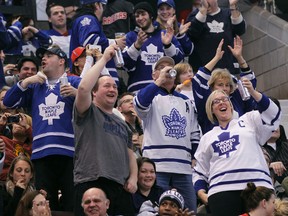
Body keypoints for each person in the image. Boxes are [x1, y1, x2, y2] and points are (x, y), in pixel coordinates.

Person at [3, 45, 81, 211]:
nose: (43, 59)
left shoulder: (73, 81)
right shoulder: (35, 86)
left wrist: (77, 93)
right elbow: (8, 102)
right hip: (41, 155)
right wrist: (26, 82)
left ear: (61, 61)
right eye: (42, 56)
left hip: (69, 153)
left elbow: (93, 98)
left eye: (48, 55)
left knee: (71, 204)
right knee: (45, 205)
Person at [193, 88, 281, 216]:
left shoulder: (249, 120)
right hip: (221, 192)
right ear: (211, 109)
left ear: (231, 104)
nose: (222, 102)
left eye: (225, 99)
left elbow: (273, 114)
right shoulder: (207, 137)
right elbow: (199, 171)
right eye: (216, 101)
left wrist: (252, 91)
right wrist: (201, 193)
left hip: (257, 187)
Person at [73, 44, 137, 216]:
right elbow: (83, 88)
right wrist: (103, 59)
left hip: (119, 186)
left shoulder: (122, 123)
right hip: (91, 181)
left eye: (115, 87)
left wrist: (133, 178)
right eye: (106, 86)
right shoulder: (88, 111)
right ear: (94, 93)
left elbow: (130, 153)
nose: (112, 89)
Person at [134, 56, 200, 212]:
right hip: (158, 166)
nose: (166, 70)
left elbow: (194, 133)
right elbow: (139, 105)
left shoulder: (186, 101)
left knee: (189, 211)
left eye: (170, 67)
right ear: (153, 74)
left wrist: (192, 157)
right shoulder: (150, 97)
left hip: (183, 168)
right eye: (161, 68)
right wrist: (159, 82)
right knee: (157, 211)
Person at [192, 36, 257, 134]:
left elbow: (249, 83)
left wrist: (239, 58)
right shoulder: (206, 101)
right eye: (220, 84)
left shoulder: (236, 99)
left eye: (227, 85)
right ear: (212, 86)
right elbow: (198, 80)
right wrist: (216, 58)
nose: (224, 88)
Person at [123, 2, 184, 92]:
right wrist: (136, 46)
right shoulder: (130, 36)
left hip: (164, 88)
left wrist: (168, 45)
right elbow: (126, 65)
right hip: (138, 90)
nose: (140, 18)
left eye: (143, 14)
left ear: (151, 16)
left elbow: (179, 60)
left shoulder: (165, 34)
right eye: (137, 16)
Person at [70, 0, 126, 85]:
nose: (103, 10)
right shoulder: (88, 19)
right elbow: (88, 41)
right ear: (97, 5)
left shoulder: (84, 18)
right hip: (94, 76)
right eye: (102, 6)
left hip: (92, 75)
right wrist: (114, 42)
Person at [186, 0, 246, 74]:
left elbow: (240, 30)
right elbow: (192, 33)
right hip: (203, 71)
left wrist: (233, 6)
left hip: (228, 69)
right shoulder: (194, 16)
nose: (205, 2)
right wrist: (202, 12)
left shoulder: (228, 13)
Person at [0, 112, 32, 181]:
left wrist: (26, 126)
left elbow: (39, 142)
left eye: (22, 121)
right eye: (16, 121)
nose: (18, 124)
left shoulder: (31, 147)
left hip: (25, 184)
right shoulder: (4, 140)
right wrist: (1, 124)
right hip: (4, 183)